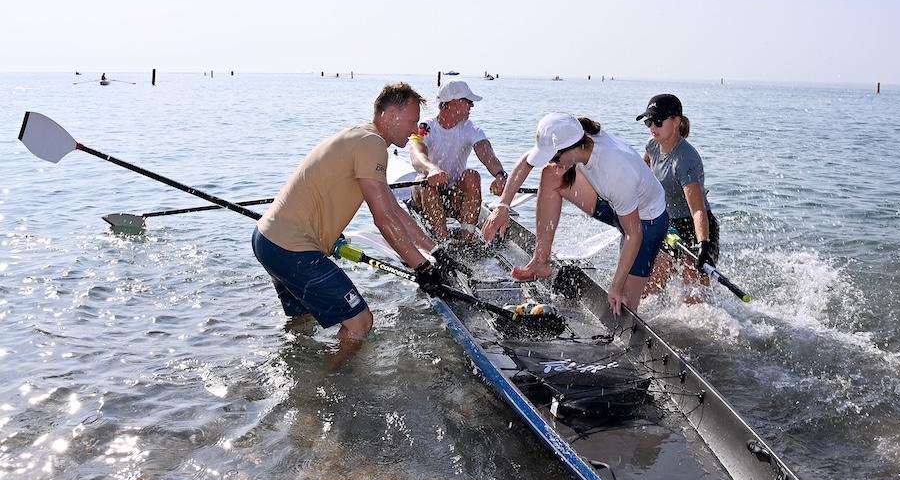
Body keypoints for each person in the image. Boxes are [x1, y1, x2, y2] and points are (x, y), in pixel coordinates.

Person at [252, 82, 447, 364]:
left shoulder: (361, 137)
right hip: (291, 248)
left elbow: (394, 210)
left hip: (267, 240)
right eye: (412, 121)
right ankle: (327, 383)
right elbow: (384, 219)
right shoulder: (372, 144)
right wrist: (422, 267)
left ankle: (299, 371)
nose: (415, 129)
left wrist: (435, 251)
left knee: (303, 321)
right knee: (360, 322)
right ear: (390, 115)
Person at [482, 112, 668, 315]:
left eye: (555, 157)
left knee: (623, 305)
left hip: (647, 222)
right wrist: (503, 206)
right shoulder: (577, 133)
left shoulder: (615, 173)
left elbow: (634, 234)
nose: (552, 160)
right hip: (614, 204)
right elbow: (527, 161)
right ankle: (541, 261)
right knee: (552, 173)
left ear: (573, 148)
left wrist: (615, 286)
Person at [637, 94, 720, 298]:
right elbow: (642, 174)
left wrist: (703, 245)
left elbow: (698, 210)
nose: (652, 127)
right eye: (648, 122)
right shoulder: (652, 145)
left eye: (658, 121)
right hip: (671, 226)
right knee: (649, 288)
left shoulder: (685, 160)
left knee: (693, 297)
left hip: (697, 230)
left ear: (676, 121)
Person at [409, 80, 507, 240]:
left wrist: (500, 175)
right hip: (426, 193)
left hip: (454, 195)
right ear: (453, 102)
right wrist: (432, 170)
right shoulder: (425, 127)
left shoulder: (469, 128)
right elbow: (416, 154)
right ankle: (442, 239)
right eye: (468, 101)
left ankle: (467, 239)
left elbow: (487, 154)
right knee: (424, 180)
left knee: (472, 175)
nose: (472, 105)